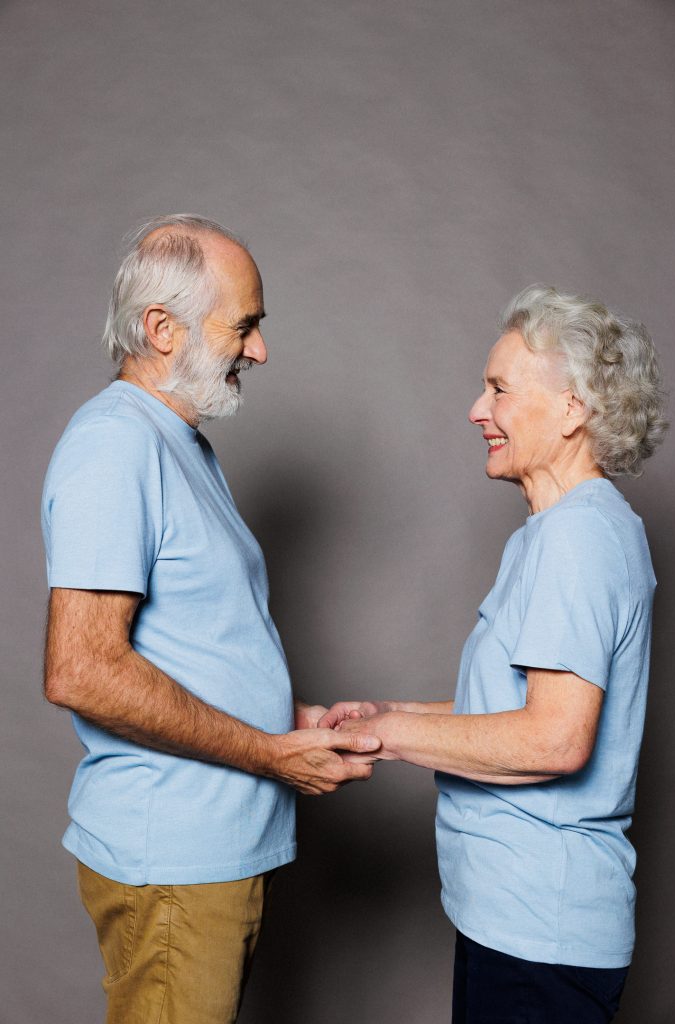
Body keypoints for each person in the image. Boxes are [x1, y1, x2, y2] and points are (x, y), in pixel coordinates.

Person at [41, 214, 380, 1024]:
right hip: (174, 862)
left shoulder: (179, 444)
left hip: (212, 854)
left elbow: (192, 643)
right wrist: (267, 751)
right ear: (162, 329)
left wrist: (282, 718)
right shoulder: (114, 448)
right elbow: (81, 670)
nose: (259, 350)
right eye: (245, 325)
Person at [320, 285, 666, 1024]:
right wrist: (392, 713)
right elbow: (517, 708)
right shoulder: (557, 534)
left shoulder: (578, 540)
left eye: (499, 389)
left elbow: (554, 738)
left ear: (573, 410)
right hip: (516, 923)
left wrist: (387, 737)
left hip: (540, 932)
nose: (477, 410)